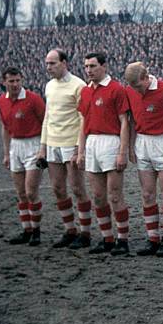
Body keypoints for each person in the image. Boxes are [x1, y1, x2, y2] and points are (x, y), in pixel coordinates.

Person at [77, 52, 131, 256]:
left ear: (104, 66)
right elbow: (83, 122)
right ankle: (107, 238)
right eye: (86, 67)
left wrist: (122, 151)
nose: (89, 70)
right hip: (91, 143)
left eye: (93, 66)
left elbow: (125, 121)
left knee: (115, 195)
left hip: (111, 142)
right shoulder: (85, 91)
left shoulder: (116, 89)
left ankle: (122, 239)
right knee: (98, 196)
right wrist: (81, 151)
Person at [38, 49, 93, 249]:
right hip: (53, 143)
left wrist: (80, 147)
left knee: (78, 188)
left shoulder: (78, 85)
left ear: (64, 63)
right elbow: (47, 117)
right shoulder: (49, 86)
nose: (48, 67)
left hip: (71, 143)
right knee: (58, 189)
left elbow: (83, 119)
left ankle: (85, 233)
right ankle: (70, 230)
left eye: (52, 63)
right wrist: (42, 146)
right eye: (47, 63)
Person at [125, 62, 163, 257]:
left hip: (162, 141)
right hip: (142, 142)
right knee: (147, 194)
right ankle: (153, 238)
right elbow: (131, 120)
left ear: (146, 78)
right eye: (134, 88)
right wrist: (131, 145)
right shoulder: (130, 91)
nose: (137, 90)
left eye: (139, 86)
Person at [0, 67, 46, 246]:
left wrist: (43, 149)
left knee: (31, 191)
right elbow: (5, 128)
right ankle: (27, 230)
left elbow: (45, 123)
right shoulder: (2, 101)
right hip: (15, 146)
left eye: (18, 80)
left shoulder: (33, 99)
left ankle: (37, 231)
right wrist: (6, 153)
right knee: (21, 193)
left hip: (33, 145)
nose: (16, 84)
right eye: (11, 81)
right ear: (4, 82)